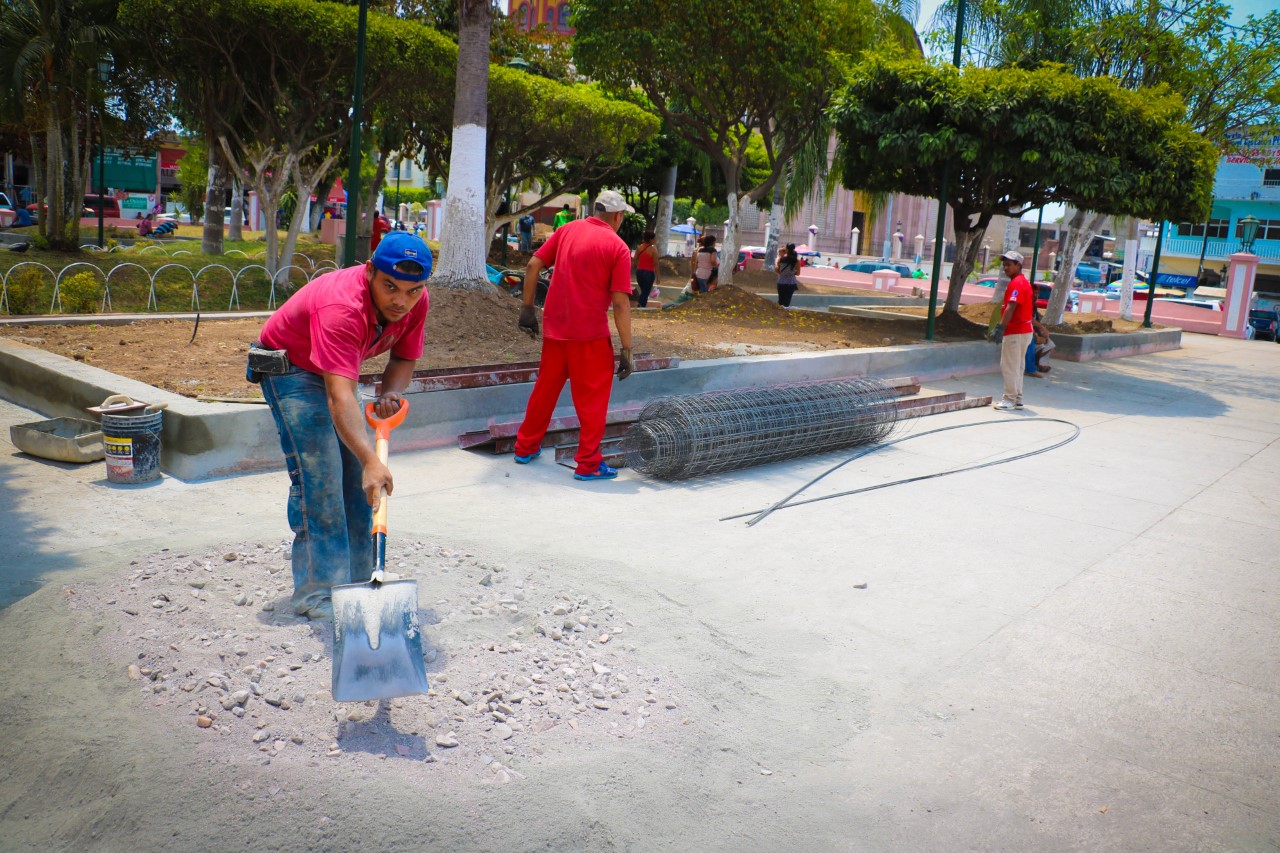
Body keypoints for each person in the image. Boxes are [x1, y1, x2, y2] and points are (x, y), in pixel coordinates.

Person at [247, 231, 433, 619]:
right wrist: (371, 459)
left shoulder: (416, 300)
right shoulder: (343, 306)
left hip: (334, 372)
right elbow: (339, 397)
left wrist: (391, 393)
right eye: (390, 287)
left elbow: (403, 358)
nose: (401, 301)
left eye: (412, 291)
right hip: (291, 368)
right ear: (370, 272)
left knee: (357, 482)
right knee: (322, 478)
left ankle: (361, 582)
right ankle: (320, 594)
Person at [512, 190, 635, 481]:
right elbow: (620, 303)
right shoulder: (617, 247)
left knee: (545, 390)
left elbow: (532, 265)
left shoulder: (567, 230)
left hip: (555, 329)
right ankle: (588, 464)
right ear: (618, 216)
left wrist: (527, 309)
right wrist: (627, 349)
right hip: (589, 336)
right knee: (593, 401)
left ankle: (525, 447)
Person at [991, 250, 1034, 411]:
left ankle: (1009, 399)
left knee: (1009, 366)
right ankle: (1018, 399)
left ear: (1018, 265)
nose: (1005, 267)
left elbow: (1011, 306)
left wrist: (1001, 327)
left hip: (1016, 331)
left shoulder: (1017, 283)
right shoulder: (1023, 282)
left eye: (1009, 264)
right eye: (1004, 264)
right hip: (1024, 331)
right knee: (1018, 366)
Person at [634, 230, 660, 307]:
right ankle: (640, 306)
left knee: (644, 292)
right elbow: (656, 264)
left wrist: (639, 266)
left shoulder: (639, 247)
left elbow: (634, 260)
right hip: (649, 273)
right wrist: (658, 277)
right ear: (651, 239)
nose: (656, 239)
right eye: (655, 238)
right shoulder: (653, 250)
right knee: (645, 292)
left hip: (639, 272)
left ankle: (641, 306)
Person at [776, 243, 800, 307]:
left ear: (786, 250)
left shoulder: (781, 259)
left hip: (781, 281)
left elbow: (776, 270)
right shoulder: (797, 261)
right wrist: (791, 272)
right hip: (791, 283)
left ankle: (778, 312)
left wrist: (783, 273)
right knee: (787, 302)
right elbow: (798, 273)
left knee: (780, 301)